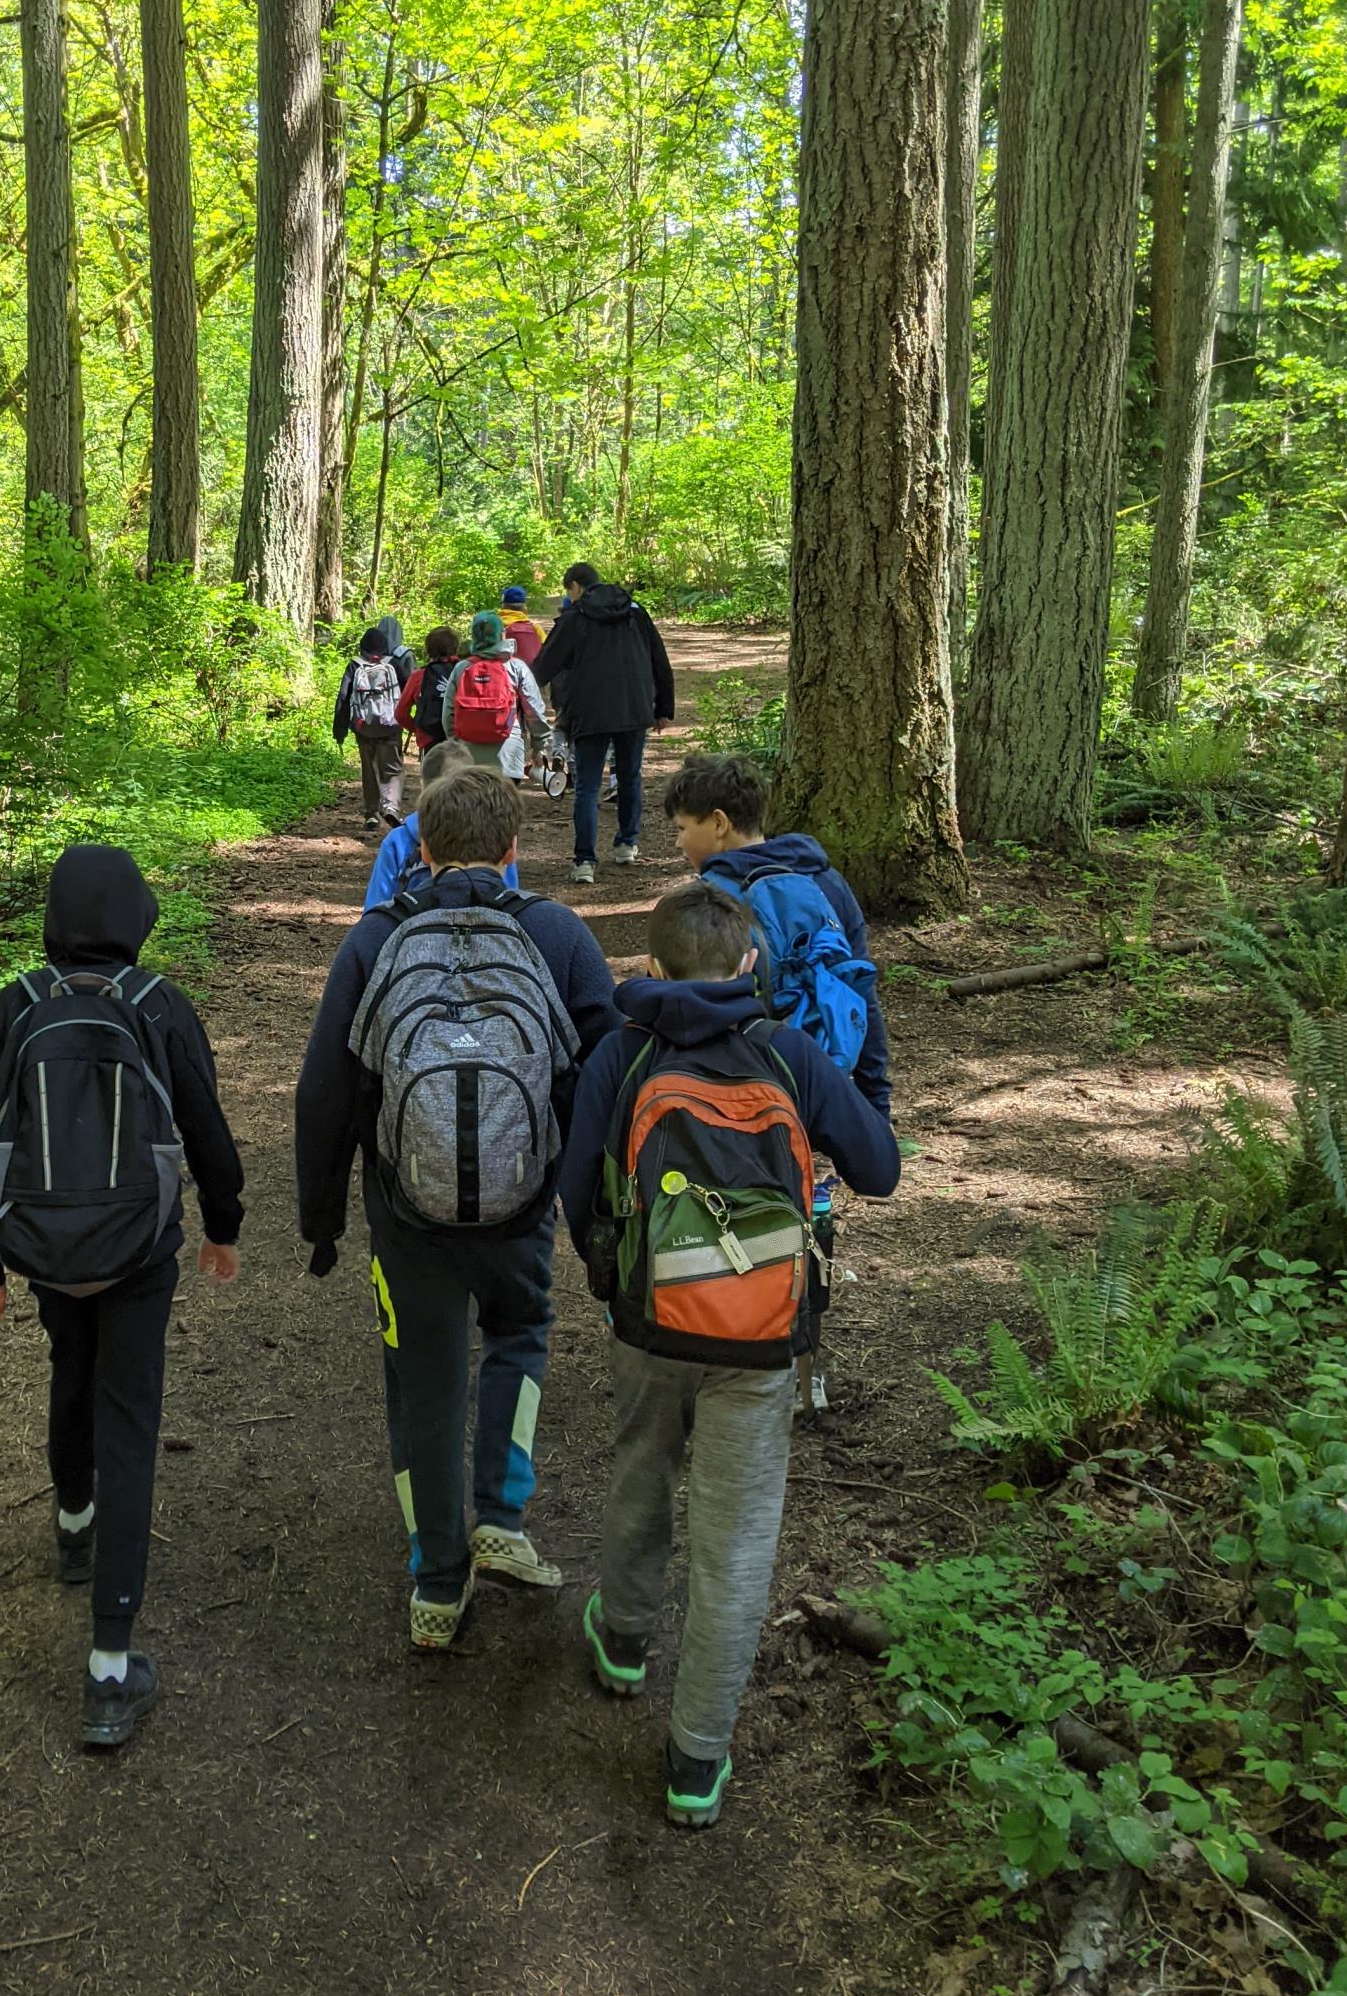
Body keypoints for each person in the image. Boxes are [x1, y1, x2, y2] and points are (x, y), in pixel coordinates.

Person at [557, 879, 898, 1826]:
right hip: (762, 1335)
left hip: (650, 1319)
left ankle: (623, 1640)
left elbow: (575, 1184)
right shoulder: (787, 1056)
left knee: (641, 1468)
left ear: (650, 968)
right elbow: (881, 1166)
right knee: (738, 1541)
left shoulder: (621, 1056)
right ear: (751, 965)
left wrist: (610, 1270)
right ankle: (697, 1761)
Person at [295, 768, 622, 1650]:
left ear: (422, 849)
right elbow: (606, 1069)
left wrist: (321, 1220)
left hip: (408, 1215)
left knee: (423, 1380)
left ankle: (439, 1582)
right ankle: (502, 1516)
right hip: (521, 1208)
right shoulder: (553, 931)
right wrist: (586, 1202)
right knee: (519, 1333)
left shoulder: (375, 940)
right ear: (515, 849)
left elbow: (325, 1092)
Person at [0, 846, 244, 1749]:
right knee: (130, 1416)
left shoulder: (19, 1003)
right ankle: (111, 1669)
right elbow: (204, 1121)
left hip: (45, 1244)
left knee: (69, 1366)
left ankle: (74, 1525)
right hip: (138, 1248)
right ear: (135, 915)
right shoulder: (157, 1003)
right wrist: (223, 1222)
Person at [663, 752, 892, 1417]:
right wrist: (870, 1097)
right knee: (808, 1207)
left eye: (683, 829)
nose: (679, 843)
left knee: (738, 1208)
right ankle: (804, 1362)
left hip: (740, 1087)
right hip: (822, 1073)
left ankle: (727, 1333)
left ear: (721, 823)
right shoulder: (827, 879)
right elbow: (861, 986)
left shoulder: (708, 901)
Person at [532, 563, 675, 885]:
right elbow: (658, 658)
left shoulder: (575, 618)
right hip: (635, 708)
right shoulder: (635, 612)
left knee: (586, 787)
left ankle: (584, 861)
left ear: (575, 587)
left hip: (589, 712)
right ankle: (627, 843)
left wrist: (520, 697)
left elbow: (543, 666)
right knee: (629, 777)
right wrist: (663, 707)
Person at [362, 739, 521, 909]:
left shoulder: (398, 840)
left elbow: (376, 905)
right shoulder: (494, 832)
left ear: (423, 787)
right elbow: (509, 896)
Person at [444, 608, 550, 782]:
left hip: (468, 757)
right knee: (505, 807)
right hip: (508, 756)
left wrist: (457, 744)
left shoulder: (462, 668)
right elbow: (534, 711)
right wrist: (540, 746)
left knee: (473, 806)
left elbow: (448, 713)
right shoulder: (517, 667)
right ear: (502, 636)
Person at [333, 624, 407, 831]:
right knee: (392, 768)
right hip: (390, 726)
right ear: (384, 646)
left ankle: (372, 813)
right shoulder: (394, 664)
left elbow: (343, 698)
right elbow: (408, 691)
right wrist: (413, 721)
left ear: (362, 647)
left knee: (369, 768)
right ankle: (391, 806)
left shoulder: (354, 666)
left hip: (363, 727)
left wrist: (339, 730)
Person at [394, 626, 463, 753]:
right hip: (459, 740)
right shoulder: (466, 671)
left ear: (429, 649)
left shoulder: (419, 675)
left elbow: (400, 713)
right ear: (455, 647)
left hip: (429, 741)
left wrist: (418, 728)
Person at [500, 586, 546, 665]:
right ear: (524, 608)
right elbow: (547, 651)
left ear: (503, 606)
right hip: (531, 675)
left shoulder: (495, 626)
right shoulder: (535, 628)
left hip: (502, 675)